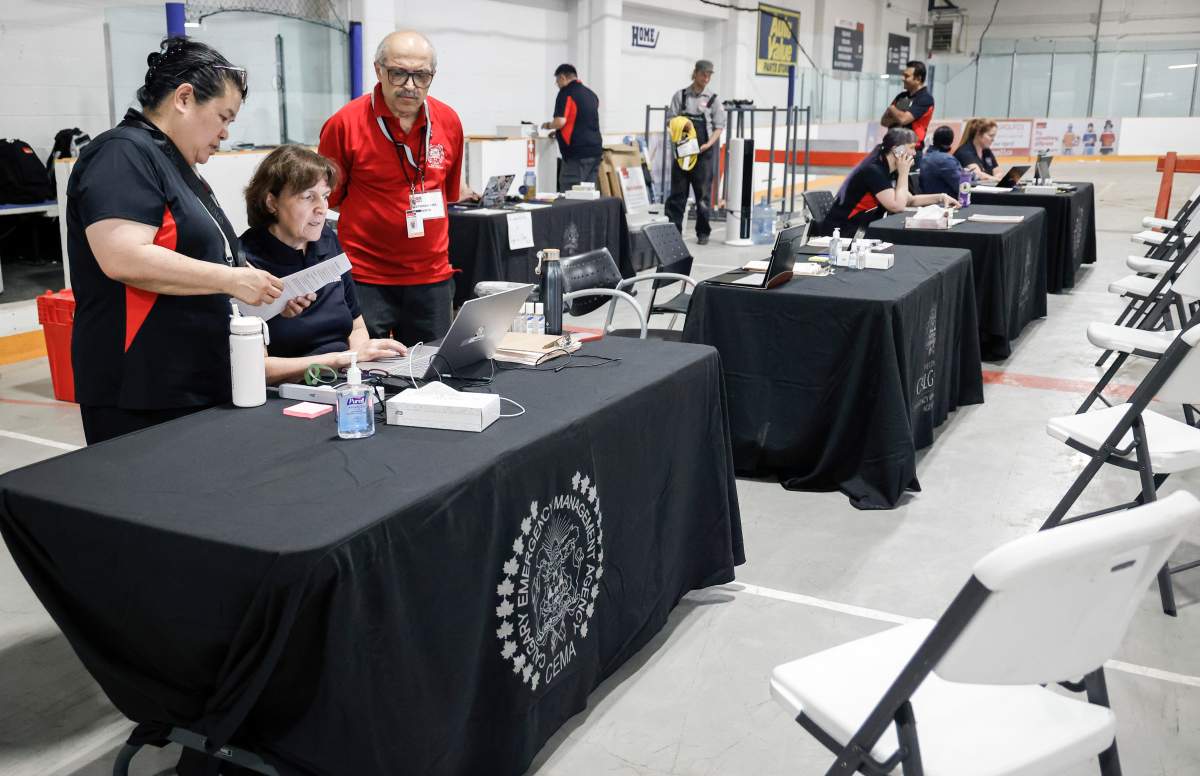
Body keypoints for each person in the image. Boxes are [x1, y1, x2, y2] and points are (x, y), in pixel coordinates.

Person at [66, 37, 284, 445]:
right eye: (223, 117)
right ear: (184, 98)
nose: (225, 133)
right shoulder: (122, 153)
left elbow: (201, 252)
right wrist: (232, 280)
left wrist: (260, 285)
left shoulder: (174, 163)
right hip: (143, 386)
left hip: (193, 376)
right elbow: (123, 257)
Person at [318, 30, 466, 344]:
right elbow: (331, 198)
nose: (410, 85)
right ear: (378, 70)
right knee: (365, 367)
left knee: (433, 368)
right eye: (398, 73)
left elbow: (447, 192)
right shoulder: (344, 124)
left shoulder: (449, 121)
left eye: (421, 76)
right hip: (365, 276)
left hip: (432, 276)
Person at [239, 145, 407, 384]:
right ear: (272, 203)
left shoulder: (327, 240)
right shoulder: (246, 261)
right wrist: (343, 359)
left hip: (344, 377)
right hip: (293, 388)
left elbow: (357, 327)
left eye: (325, 196)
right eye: (308, 197)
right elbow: (259, 368)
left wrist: (359, 369)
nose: (322, 209)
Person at [827, 127, 959, 234]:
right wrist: (903, 173)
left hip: (860, 228)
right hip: (842, 231)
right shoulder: (874, 171)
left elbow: (910, 200)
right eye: (912, 147)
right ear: (897, 150)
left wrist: (941, 197)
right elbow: (897, 206)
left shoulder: (889, 170)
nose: (914, 153)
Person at [665, 59, 725, 245]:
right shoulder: (681, 96)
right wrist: (682, 127)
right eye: (703, 74)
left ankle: (703, 232)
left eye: (709, 75)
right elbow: (670, 121)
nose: (706, 78)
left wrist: (709, 144)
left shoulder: (713, 100)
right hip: (682, 154)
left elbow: (719, 127)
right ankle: (674, 234)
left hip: (703, 155)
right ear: (695, 73)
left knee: (703, 197)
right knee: (677, 196)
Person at [542, 64, 602, 191]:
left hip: (576, 155)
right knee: (587, 193)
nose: (557, 84)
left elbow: (560, 122)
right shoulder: (591, 94)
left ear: (563, 78)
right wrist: (558, 133)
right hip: (595, 152)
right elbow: (581, 121)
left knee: (570, 193)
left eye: (557, 80)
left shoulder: (566, 93)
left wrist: (547, 125)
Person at [881, 61, 934, 161]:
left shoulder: (925, 99)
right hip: (893, 146)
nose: (903, 79)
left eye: (907, 76)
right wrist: (898, 116)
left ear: (918, 79)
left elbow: (903, 119)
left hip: (909, 150)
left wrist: (892, 109)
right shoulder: (902, 96)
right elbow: (884, 121)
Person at [919, 126, 965, 200]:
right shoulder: (946, 160)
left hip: (931, 201)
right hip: (947, 202)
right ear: (951, 141)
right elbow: (962, 186)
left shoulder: (926, 157)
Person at [954, 118, 1000, 183]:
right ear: (978, 134)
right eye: (990, 136)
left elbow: (998, 171)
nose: (993, 139)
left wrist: (997, 177)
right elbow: (978, 174)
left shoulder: (987, 151)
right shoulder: (965, 151)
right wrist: (996, 179)